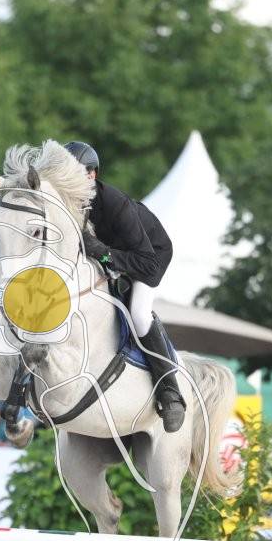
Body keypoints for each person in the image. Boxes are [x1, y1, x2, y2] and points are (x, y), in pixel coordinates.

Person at [64, 140, 185, 432]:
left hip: (150, 255)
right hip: (112, 255)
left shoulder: (114, 204)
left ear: (91, 175)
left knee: (139, 314)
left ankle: (170, 391)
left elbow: (147, 263)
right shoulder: (67, 203)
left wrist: (103, 253)